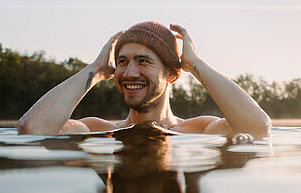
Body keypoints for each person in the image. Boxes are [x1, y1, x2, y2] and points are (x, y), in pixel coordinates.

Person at [17, 21, 271, 137]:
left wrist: (196, 65)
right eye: (123, 62)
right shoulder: (99, 130)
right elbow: (31, 129)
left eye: (143, 61)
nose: (129, 73)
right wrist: (94, 70)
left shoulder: (198, 130)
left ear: (172, 73)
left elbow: (258, 126)